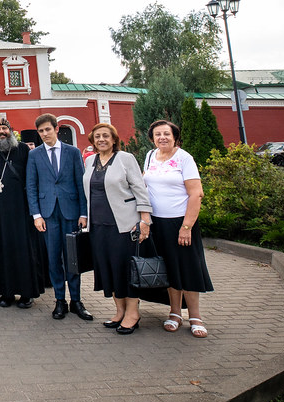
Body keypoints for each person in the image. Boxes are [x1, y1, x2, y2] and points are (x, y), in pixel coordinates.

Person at [143, 119, 213, 338]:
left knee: (188, 268)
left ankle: (195, 316)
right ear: (152, 138)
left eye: (166, 133)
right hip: (158, 223)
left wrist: (186, 227)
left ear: (175, 137)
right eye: (157, 134)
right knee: (170, 269)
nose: (162, 137)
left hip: (181, 223)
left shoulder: (184, 158)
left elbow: (196, 193)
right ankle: (174, 313)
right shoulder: (150, 156)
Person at [83, 123, 153, 335]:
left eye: (106, 136)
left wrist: (145, 219)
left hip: (123, 225)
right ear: (92, 141)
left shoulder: (125, 158)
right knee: (108, 268)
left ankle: (133, 313)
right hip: (97, 226)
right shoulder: (90, 161)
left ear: (114, 139)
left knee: (124, 269)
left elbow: (140, 188)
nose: (101, 139)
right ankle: (119, 311)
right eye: (97, 137)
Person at [26, 113, 92, 321]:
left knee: (73, 258)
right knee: (54, 258)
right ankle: (60, 301)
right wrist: (36, 215)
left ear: (56, 129)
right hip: (48, 214)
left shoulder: (72, 152)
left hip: (71, 212)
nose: (45, 134)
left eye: (48, 129)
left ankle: (77, 301)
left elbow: (81, 183)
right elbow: (31, 186)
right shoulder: (35, 155)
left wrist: (84, 213)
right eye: (41, 131)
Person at [0, 118, 41, 308]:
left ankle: (26, 293)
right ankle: (5, 293)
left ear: (10, 131)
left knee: (22, 251)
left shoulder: (23, 150)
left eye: (4, 129)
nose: (1, 132)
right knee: (1, 251)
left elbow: (32, 180)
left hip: (20, 211)